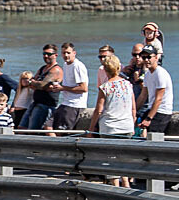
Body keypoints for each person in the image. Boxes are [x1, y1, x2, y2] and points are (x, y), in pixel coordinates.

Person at [88, 55, 136, 187]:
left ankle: (115, 186)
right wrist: (132, 122)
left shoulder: (105, 87)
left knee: (111, 158)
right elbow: (133, 109)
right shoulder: (128, 84)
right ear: (119, 68)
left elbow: (98, 110)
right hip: (126, 126)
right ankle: (126, 183)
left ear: (105, 70)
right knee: (124, 157)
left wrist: (91, 129)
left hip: (110, 127)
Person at [20, 44, 63, 130]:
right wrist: (38, 84)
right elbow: (31, 83)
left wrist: (37, 84)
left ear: (55, 55)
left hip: (45, 105)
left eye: (49, 54)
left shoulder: (56, 70)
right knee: (21, 127)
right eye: (44, 54)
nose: (46, 56)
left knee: (32, 130)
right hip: (36, 102)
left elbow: (41, 85)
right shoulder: (42, 68)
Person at [135, 45, 174, 136]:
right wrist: (134, 112)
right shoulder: (148, 74)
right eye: (144, 57)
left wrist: (149, 118)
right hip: (151, 110)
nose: (146, 60)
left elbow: (159, 99)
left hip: (162, 112)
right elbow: (143, 96)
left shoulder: (160, 73)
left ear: (156, 57)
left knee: (153, 138)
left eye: (149, 57)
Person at [52, 42, 88, 132]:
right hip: (65, 103)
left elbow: (83, 88)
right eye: (64, 53)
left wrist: (63, 88)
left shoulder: (77, 66)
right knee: (48, 127)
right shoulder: (65, 64)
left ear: (74, 53)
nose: (66, 55)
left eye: (68, 53)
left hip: (74, 105)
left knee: (62, 132)